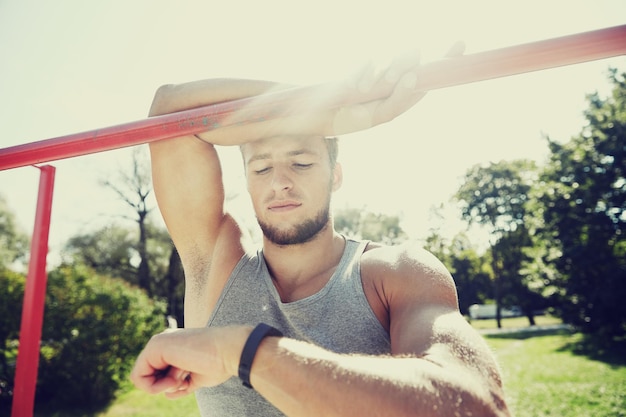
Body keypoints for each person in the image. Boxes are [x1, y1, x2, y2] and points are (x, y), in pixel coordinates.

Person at [130, 50, 511, 417]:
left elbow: (474, 406)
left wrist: (242, 353)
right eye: (261, 169)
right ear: (246, 182)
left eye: (301, 162)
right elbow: (170, 108)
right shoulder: (216, 266)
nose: (279, 182)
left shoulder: (394, 272)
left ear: (336, 175)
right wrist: (331, 108)